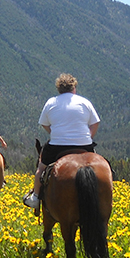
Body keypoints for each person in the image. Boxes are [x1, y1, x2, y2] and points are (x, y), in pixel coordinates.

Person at [23, 73, 100, 209]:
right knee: (100, 165)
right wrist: (88, 136)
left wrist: (55, 133)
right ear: (74, 88)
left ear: (59, 89)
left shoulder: (51, 102)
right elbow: (95, 123)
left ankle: (35, 197)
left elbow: (44, 124)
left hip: (58, 145)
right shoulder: (84, 102)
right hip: (84, 144)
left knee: (41, 168)